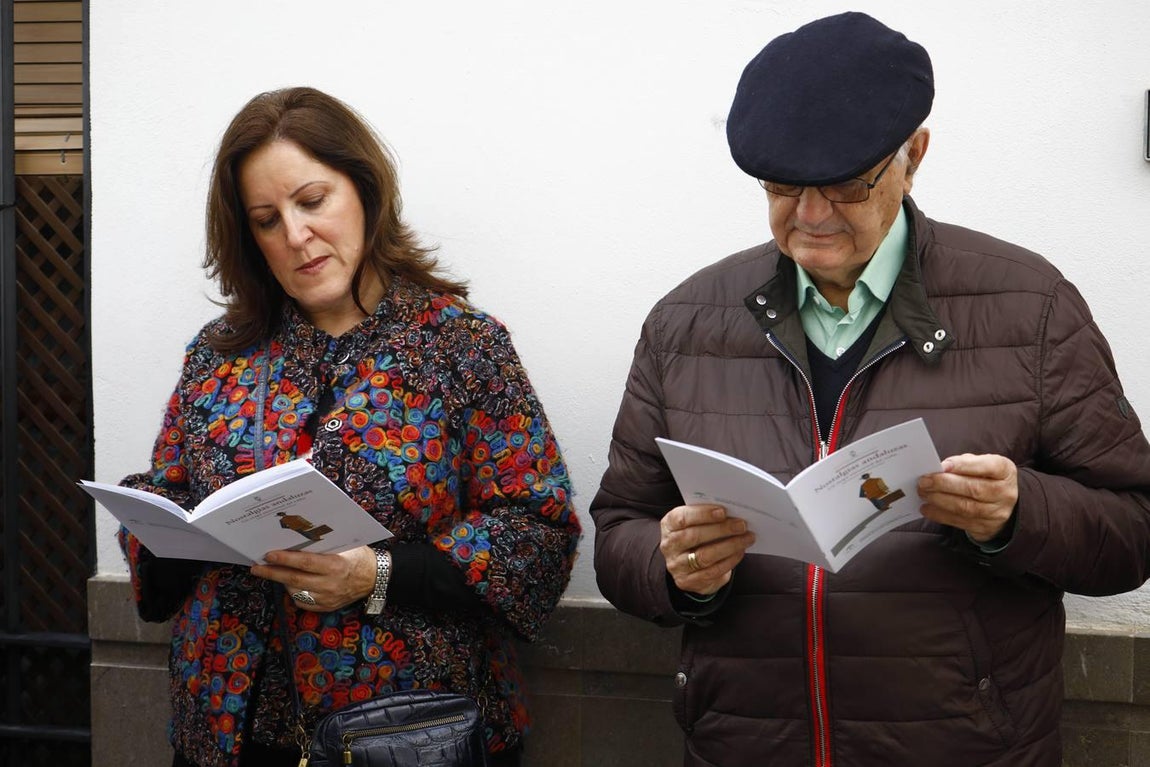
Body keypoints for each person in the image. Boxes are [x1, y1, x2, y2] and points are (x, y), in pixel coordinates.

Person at [590, 12, 1150, 767]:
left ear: (914, 155)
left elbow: (1133, 529)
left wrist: (1021, 513)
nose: (812, 216)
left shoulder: (1033, 307)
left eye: (848, 185)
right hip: (746, 744)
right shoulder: (685, 322)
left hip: (966, 747)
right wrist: (670, 566)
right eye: (784, 187)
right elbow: (620, 525)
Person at [117, 86, 581, 767]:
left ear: (363, 189)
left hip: (407, 732)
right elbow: (166, 495)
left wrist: (376, 572)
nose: (296, 235)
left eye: (312, 200)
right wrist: (159, 531)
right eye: (267, 219)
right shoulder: (216, 356)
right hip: (226, 730)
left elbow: (537, 532)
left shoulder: (460, 345)